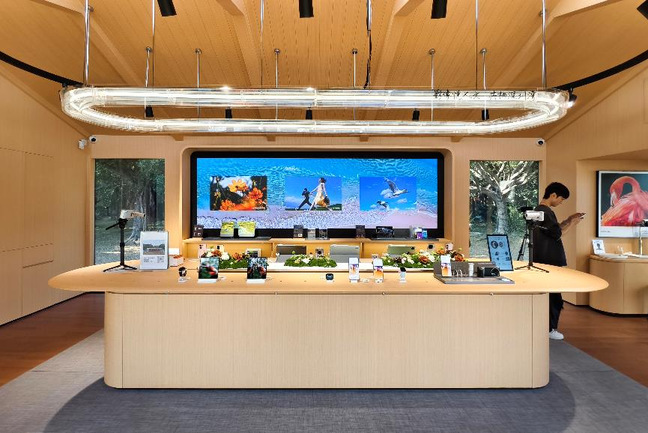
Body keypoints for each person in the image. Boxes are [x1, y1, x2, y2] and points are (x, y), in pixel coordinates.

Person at [533, 182, 585, 340]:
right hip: (550, 261)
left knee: (551, 296)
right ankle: (550, 329)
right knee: (554, 297)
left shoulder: (539, 211)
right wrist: (573, 224)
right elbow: (558, 235)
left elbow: (554, 230)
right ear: (553, 195)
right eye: (561, 199)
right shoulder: (546, 212)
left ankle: (546, 328)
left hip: (543, 259)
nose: (561, 202)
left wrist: (568, 220)